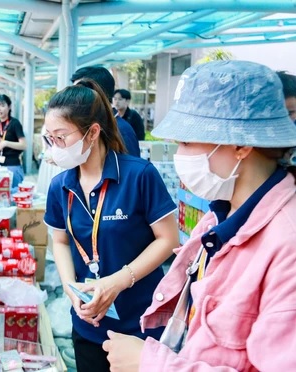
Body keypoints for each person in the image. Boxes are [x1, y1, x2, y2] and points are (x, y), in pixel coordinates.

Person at [103, 61, 296, 372]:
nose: (180, 154)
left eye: (187, 142)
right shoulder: (222, 213)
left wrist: (151, 363)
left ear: (240, 145)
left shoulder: (286, 244)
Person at [42, 80, 178, 372]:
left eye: (61, 137)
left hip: (140, 322)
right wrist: (70, 289)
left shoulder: (138, 175)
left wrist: (117, 281)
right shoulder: (60, 186)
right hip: (88, 323)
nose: (55, 147)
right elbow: (61, 241)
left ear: (93, 132)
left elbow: (168, 239)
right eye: (49, 138)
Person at [71, 67, 140, 157]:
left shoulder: (121, 131)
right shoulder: (87, 124)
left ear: (98, 92)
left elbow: (132, 169)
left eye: (78, 91)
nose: (71, 97)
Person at [0, 94, 26, 190]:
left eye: (2, 105)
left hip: (13, 166)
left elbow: (24, 145)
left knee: (14, 194)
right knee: (0, 196)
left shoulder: (15, 123)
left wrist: (6, 143)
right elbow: (1, 141)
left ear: (9, 107)